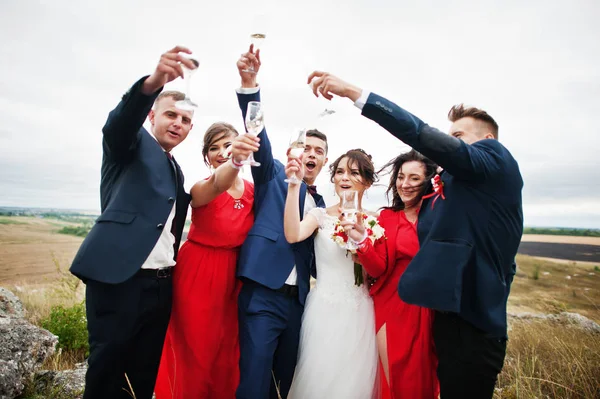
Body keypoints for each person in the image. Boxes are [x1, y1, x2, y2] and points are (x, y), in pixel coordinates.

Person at [307, 71, 524, 399]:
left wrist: (354, 93)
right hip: (443, 319)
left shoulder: (498, 162)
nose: (451, 143)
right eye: (451, 135)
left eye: (459, 136)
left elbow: (423, 136)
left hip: (477, 326)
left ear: (489, 142)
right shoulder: (448, 193)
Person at [69, 46, 198, 399]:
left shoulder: (175, 167)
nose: (178, 124)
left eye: (186, 120)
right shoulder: (127, 144)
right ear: (151, 116)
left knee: (142, 377)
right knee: (107, 370)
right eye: (171, 115)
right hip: (119, 279)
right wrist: (154, 81)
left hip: (160, 285)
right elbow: (119, 122)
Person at [234, 46, 329, 399]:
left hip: (300, 305)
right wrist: (249, 85)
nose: (311, 154)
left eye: (318, 151)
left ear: (324, 161)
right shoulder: (271, 174)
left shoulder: (323, 205)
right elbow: (258, 135)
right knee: (255, 380)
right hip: (263, 295)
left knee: (283, 383)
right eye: (306, 147)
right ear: (294, 153)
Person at [154, 122, 259, 398]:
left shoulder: (252, 191)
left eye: (229, 144)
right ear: (206, 157)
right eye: (214, 148)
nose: (222, 152)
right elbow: (218, 181)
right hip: (199, 272)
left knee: (226, 348)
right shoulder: (201, 188)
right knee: (197, 346)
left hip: (235, 276)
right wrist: (235, 160)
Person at [283, 148, 379, 399]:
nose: (344, 177)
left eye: (354, 172)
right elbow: (293, 234)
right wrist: (294, 188)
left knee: (354, 384)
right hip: (323, 309)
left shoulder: (375, 221)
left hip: (361, 312)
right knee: (318, 380)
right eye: (339, 172)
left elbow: (379, 268)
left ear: (367, 182)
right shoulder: (320, 216)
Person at [343, 150, 439, 398]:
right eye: (400, 177)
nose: (405, 184)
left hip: (432, 310)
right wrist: (362, 241)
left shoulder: (440, 216)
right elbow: (378, 268)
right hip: (392, 305)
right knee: (393, 381)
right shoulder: (388, 217)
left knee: (425, 381)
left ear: (428, 181)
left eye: (414, 178)